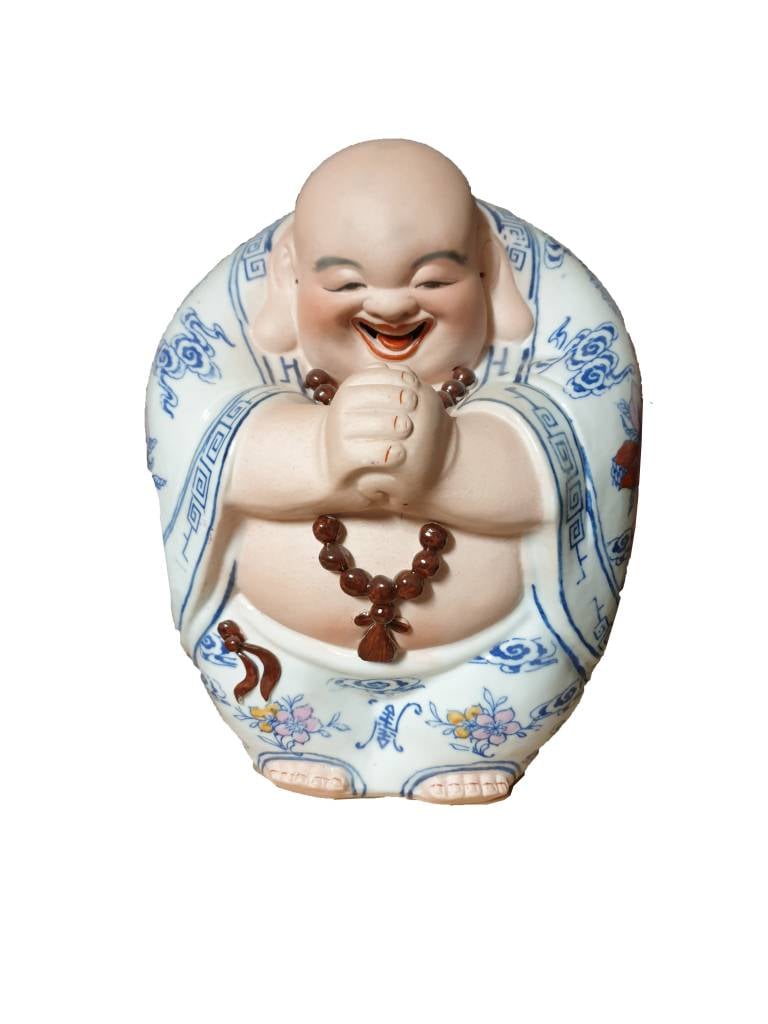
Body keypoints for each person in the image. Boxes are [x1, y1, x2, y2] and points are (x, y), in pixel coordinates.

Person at [148, 140, 639, 803]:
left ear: (488, 269)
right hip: (279, 654)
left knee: (504, 697)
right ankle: (292, 741)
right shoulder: (221, 325)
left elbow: (587, 434)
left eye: (432, 281)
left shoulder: (563, 327)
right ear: (289, 274)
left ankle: (471, 749)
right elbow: (192, 431)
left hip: (487, 664)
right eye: (347, 284)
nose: (391, 308)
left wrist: (454, 462)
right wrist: (315, 454)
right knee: (269, 687)